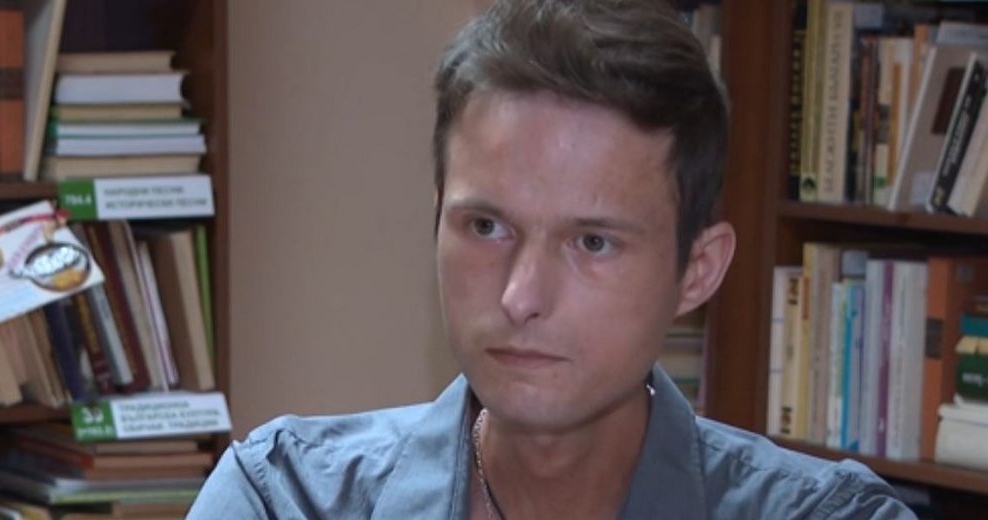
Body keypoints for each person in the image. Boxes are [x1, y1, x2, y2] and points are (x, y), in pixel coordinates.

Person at [188, 0, 915, 518]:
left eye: (592, 242)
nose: (521, 296)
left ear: (697, 270)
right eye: (486, 227)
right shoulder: (285, 498)